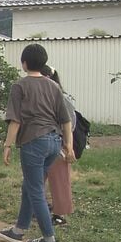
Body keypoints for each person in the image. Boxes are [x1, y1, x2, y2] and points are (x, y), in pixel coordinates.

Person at [0, 44, 74, 242]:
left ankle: (49, 240)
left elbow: (15, 120)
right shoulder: (53, 86)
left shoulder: (20, 86)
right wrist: (69, 145)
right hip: (54, 142)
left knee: (35, 190)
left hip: (33, 142)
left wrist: (7, 145)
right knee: (30, 186)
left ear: (24, 63)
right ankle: (18, 230)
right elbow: (65, 119)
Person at [40, 65, 76, 226]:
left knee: (60, 180)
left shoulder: (62, 98)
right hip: (40, 142)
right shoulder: (39, 98)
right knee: (36, 180)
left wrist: (69, 147)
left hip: (58, 143)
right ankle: (39, 208)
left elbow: (70, 125)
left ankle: (59, 213)